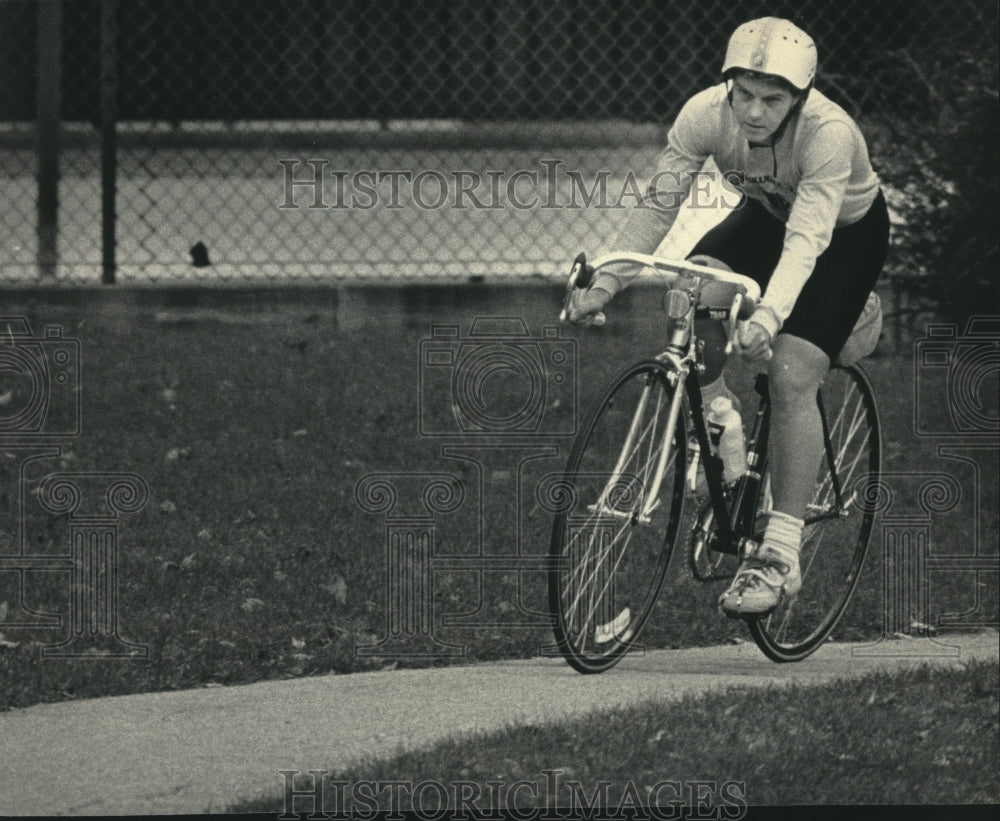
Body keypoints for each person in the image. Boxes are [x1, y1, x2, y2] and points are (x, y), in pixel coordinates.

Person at [566, 17, 890, 616]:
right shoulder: (703, 115)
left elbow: (808, 241)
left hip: (841, 239)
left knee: (792, 372)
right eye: (744, 94)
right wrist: (606, 282)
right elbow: (658, 205)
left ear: (801, 98)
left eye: (773, 100)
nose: (754, 113)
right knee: (691, 292)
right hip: (768, 218)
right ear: (728, 86)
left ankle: (779, 552)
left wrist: (768, 317)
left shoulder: (829, 133)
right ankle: (721, 431)